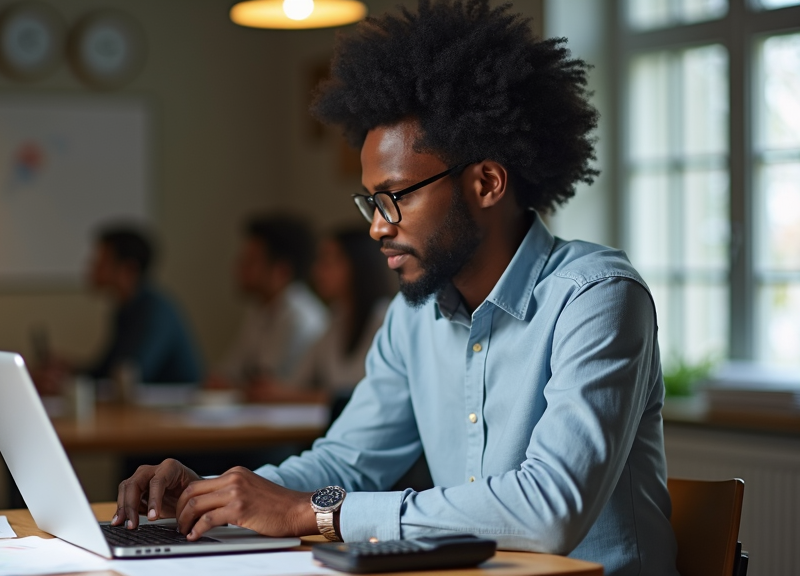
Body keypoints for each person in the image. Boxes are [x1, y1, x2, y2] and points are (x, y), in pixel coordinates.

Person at [112, 2, 678, 575]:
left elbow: (548, 512)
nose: (376, 226)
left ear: (486, 182)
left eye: (396, 196)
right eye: (370, 201)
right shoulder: (415, 314)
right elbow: (349, 462)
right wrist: (213, 492)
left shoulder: (596, 297)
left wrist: (316, 513)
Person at [248, 227, 394, 403]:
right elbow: (297, 381)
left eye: (327, 261)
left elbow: (370, 394)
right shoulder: (337, 319)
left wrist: (289, 394)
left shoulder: (384, 319)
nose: (316, 271)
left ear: (357, 265)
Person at [210, 215, 328, 388]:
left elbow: (265, 385)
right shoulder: (260, 309)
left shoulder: (300, 318)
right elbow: (230, 372)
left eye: (250, 261)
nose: (239, 267)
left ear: (281, 271)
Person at [82, 226, 202, 384]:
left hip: (176, 406)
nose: (92, 267)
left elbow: (133, 374)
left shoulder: (155, 311)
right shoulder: (124, 310)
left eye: (101, 261)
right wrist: (68, 372)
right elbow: (106, 369)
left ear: (129, 269)